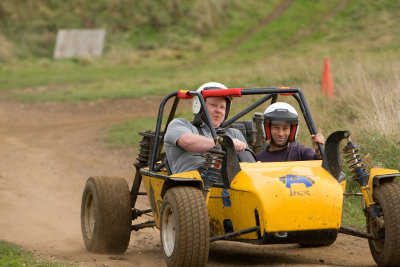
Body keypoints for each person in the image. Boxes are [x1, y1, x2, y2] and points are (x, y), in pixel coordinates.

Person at [164, 82, 248, 174]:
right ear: (199, 106)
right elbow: (188, 142)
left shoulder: (234, 133)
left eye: (222, 107)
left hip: (232, 185)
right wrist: (224, 143)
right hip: (192, 184)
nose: (218, 110)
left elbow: (249, 163)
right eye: (213, 105)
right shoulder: (179, 124)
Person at [256, 102, 325, 162]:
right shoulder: (259, 159)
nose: (280, 133)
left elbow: (323, 166)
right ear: (268, 129)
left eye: (285, 128)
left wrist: (318, 151)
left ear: (292, 131)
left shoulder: (301, 153)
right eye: (276, 128)